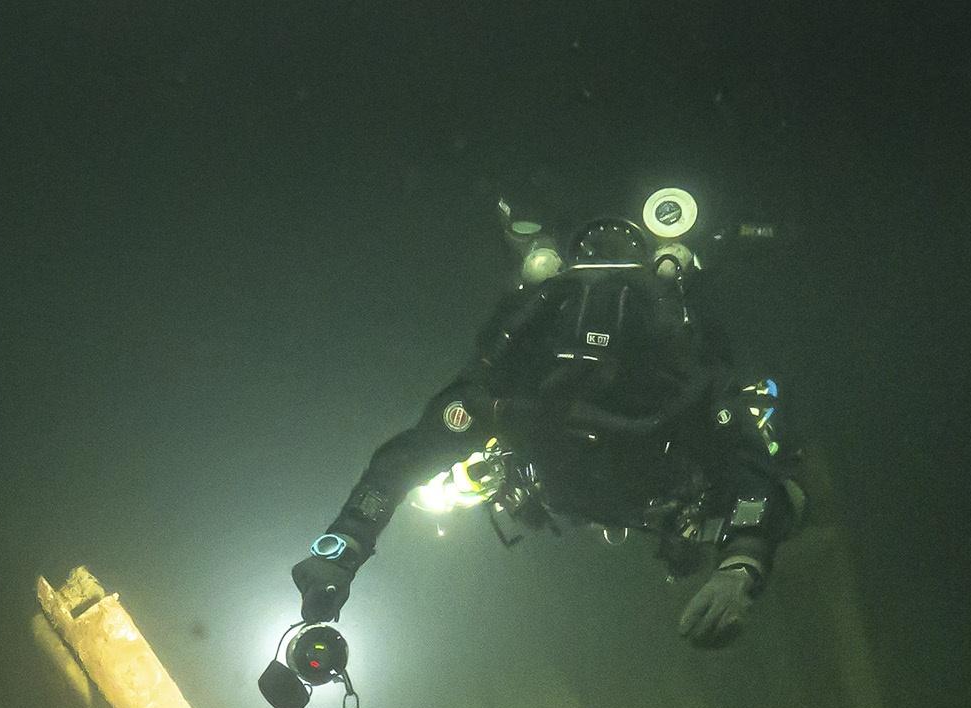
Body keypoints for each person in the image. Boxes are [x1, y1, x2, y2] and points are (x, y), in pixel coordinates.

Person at [286, 191, 800, 660]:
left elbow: (405, 461)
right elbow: (749, 470)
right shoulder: (681, 379)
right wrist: (743, 563)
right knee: (785, 485)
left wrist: (343, 544)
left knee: (785, 485)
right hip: (652, 491)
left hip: (580, 485)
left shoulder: (514, 384)